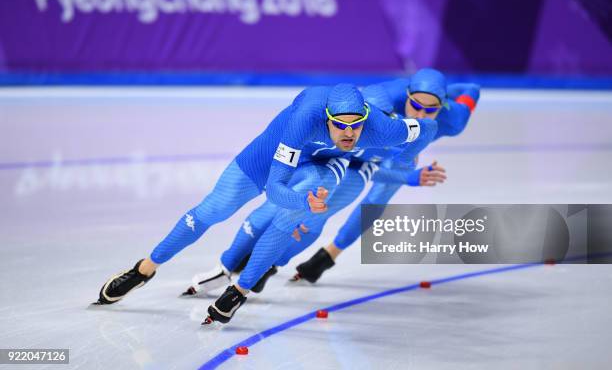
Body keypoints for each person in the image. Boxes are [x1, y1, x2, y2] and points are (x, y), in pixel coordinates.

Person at [94, 83, 437, 308]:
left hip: (322, 166)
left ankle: (248, 280)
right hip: (267, 160)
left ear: (368, 119)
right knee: (211, 211)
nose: (349, 134)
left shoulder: (383, 129)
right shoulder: (305, 120)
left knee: (308, 207)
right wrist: (303, 202)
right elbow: (275, 188)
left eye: (357, 126)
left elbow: (429, 127)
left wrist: (408, 165)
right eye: (340, 126)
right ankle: (143, 270)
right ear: (327, 119)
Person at [187, 69, 479, 303]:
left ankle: (323, 257)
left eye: (432, 110)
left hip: (379, 158)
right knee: (294, 201)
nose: (422, 114)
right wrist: (408, 173)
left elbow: (473, 90)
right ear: (405, 96)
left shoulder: (452, 120)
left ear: (443, 107)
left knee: (353, 203)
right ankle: (235, 262)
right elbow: (350, 138)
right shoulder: (378, 105)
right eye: (415, 105)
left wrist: (446, 92)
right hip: (349, 152)